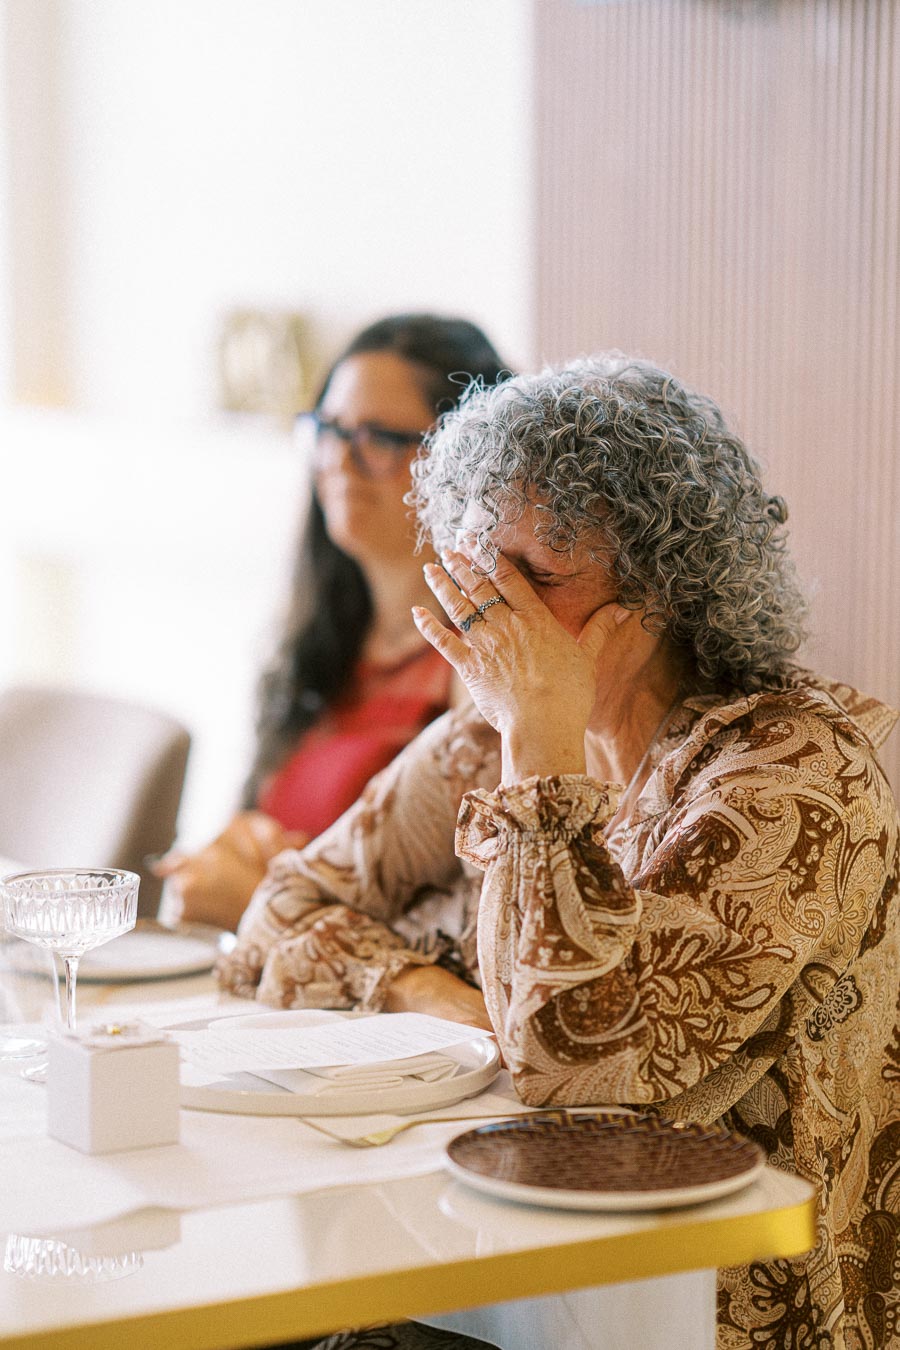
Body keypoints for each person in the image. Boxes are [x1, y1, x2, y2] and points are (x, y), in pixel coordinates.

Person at [218, 355, 899, 1350]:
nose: (495, 619)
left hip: (710, 1309)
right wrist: (435, 993)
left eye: (537, 577)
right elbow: (279, 909)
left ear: (666, 591)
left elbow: (574, 1067)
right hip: (492, 1264)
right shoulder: (482, 730)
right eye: (480, 572)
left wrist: (539, 744)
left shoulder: (794, 773)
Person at [156, 314, 508, 931]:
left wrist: (266, 903)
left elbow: (476, 923)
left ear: (464, 462)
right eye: (327, 429)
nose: (340, 461)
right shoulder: (320, 643)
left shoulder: (482, 668)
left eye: (379, 437)